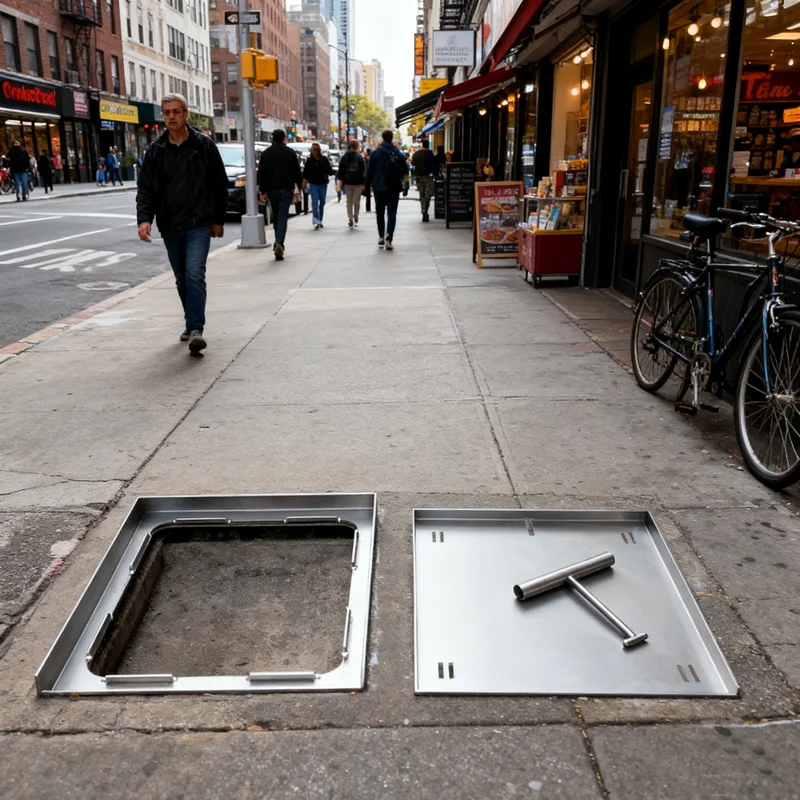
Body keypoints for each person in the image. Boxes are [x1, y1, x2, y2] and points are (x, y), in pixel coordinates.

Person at [136, 93, 227, 355]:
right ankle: (190, 321)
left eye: (176, 111)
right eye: (167, 112)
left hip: (199, 223)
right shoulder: (156, 151)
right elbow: (146, 189)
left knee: (195, 273)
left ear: (186, 114)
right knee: (182, 279)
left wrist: (217, 219)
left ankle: (196, 329)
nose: (172, 117)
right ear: (163, 116)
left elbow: (219, 184)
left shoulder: (203, 145)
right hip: (170, 224)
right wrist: (144, 219)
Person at [257, 129, 303, 261]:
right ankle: (279, 242)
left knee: (276, 215)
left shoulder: (266, 153)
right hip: (286, 188)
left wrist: (262, 191)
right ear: (283, 138)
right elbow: (296, 170)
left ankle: (278, 242)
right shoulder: (290, 152)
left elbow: (261, 174)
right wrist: (299, 185)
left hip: (272, 189)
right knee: (282, 216)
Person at [365, 130, 409, 251]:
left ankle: (381, 236)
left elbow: (370, 171)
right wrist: (406, 184)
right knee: (392, 213)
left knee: (380, 212)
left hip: (379, 186)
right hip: (393, 187)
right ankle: (389, 237)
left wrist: (367, 185)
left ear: (383, 138)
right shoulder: (398, 153)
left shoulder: (375, 153)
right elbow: (405, 170)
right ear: (392, 138)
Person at [303, 142, 334, 230]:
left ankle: (320, 219)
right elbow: (305, 172)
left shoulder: (323, 159)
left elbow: (329, 170)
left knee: (322, 202)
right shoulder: (309, 160)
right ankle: (317, 220)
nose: (313, 151)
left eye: (315, 149)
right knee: (315, 201)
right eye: (312, 149)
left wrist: (332, 172)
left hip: (323, 183)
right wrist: (305, 181)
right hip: (313, 184)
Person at [336, 140, 367, 228]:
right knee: (357, 201)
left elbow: (341, 170)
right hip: (358, 182)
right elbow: (364, 171)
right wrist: (364, 182)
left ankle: (350, 218)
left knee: (349, 201)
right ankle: (356, 216)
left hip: (348, 182)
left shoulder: (344, 157)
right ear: (357, 146)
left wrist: (341, 181)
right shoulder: (360, 157)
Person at [411, 139, 436, 222]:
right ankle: (425, 210)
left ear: (422, 144)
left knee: (422, 195)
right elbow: (434, 165)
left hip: (419, 178)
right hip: (428, 177)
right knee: (427, 196)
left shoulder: (416, 154)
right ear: (428, 145)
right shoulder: (430, 154)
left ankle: (423, 210)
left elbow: (413, 166)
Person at [363, 148, 372, 213]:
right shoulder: (371, 159)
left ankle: (368, 207)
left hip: (366, 177)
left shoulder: (364, 159)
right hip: (371, 177)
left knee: (368, 193)